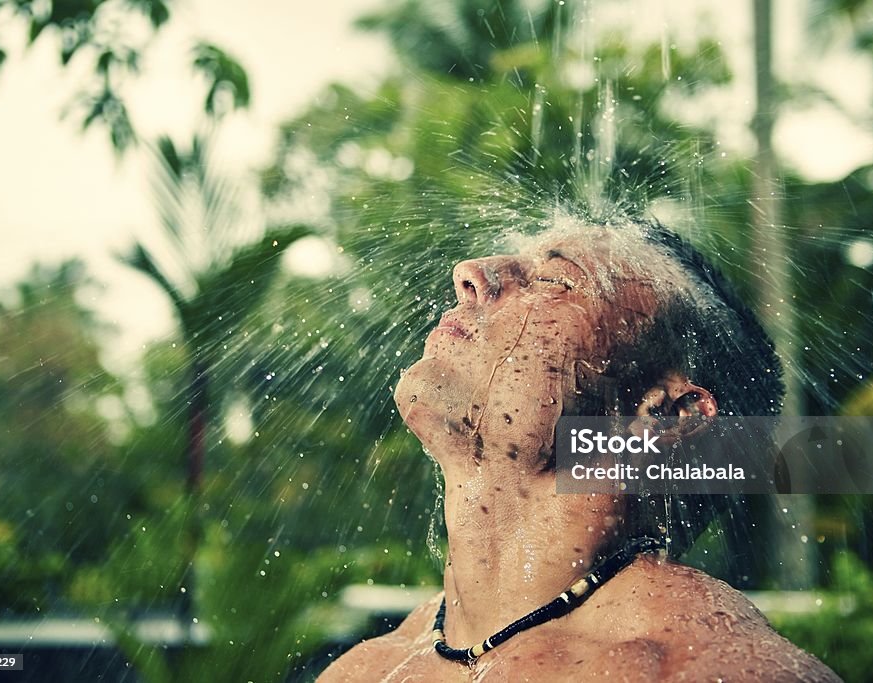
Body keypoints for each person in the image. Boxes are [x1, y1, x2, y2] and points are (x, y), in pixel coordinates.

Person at [319, 217, 840, 681]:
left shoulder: (706, 669)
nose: (471, 274)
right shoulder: (367, 669)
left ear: (664, 416)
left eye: (553, 281)